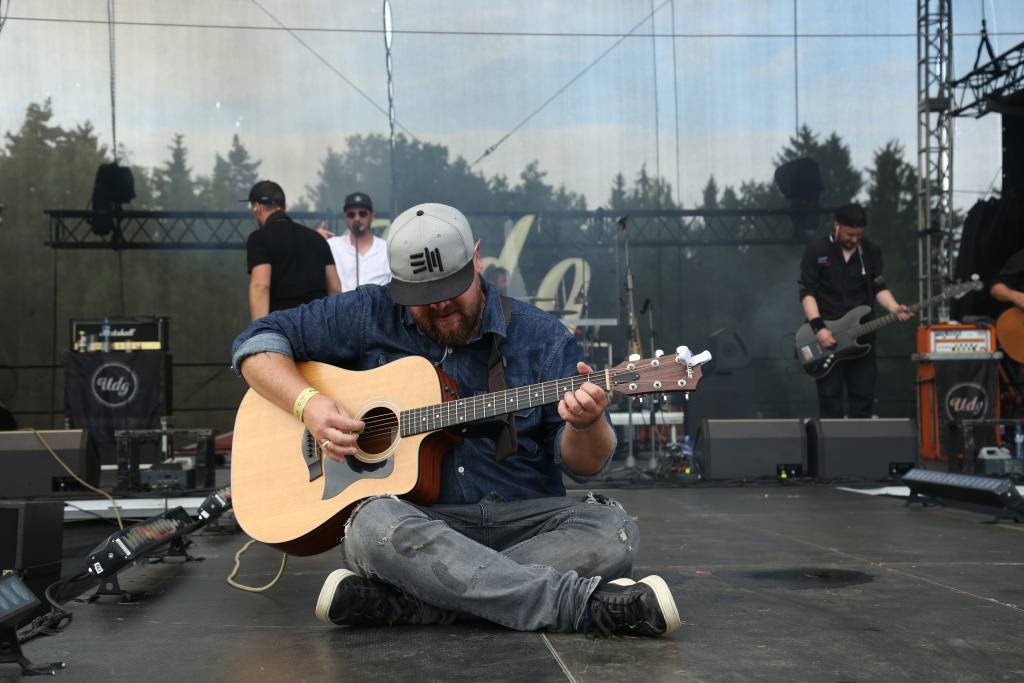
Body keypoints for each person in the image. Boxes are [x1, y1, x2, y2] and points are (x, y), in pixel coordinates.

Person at [231, 202, 681, 637]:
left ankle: (421, 602)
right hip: (418, 528)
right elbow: (256, 343)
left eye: (451, 289)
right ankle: (577, 607)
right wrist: (308, 403)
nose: (441, 306)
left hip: (523, 522)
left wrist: (585, 423)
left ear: (476, 259)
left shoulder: (543, 338)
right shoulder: (369, 313)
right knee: (369, 527)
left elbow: (586, 465)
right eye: (423, 298)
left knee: (612, 529)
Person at [798, 202, 912, 418]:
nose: (854, 239)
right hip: (828, 336)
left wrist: (894, 307)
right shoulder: (817, 250)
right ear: (837, 225)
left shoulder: (870, 251)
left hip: (862, 337)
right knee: (830, 398)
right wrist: (819, 328)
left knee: (863, 396)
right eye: (849, 234)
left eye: (859, 235)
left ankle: (860, 438)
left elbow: (879, 286)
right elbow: (807, 293)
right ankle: (830, 439)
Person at [244, 180, 340, 321]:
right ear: (284, 207)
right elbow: (335, 288)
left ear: (256, 208)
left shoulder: (259, 238)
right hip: (317, 325)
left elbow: (261, 286)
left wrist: (260, 330)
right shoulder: (317, 239)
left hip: (282, 326)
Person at [320, 192, 391, 292]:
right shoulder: (331, 246)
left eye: (362, 213)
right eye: (351, 214)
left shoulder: (387, 249)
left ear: (372, 216)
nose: (357, 218)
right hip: (341, 302)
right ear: (346, 219)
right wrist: (314, 238)